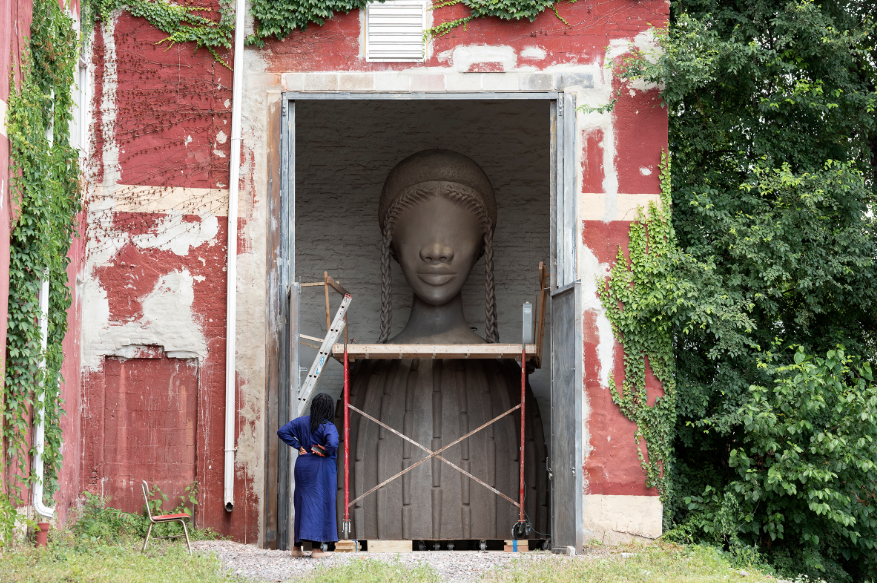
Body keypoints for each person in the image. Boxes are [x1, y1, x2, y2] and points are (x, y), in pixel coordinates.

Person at [277, 393, 339, 557]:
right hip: (322, 469)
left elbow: (282, 431)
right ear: (328, 410)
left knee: (303, 503)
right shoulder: (327, 426)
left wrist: (298, 446)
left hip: (303, 466)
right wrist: (325, 450)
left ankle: (297, 548)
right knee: (320, 504)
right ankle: (317, 550)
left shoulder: (301, 422)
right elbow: (332, 443)